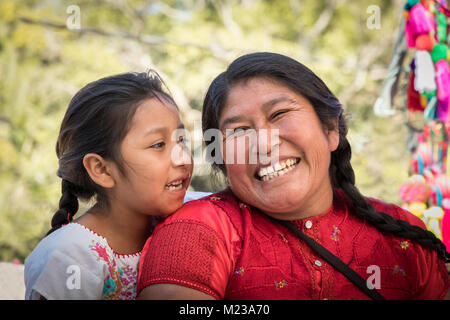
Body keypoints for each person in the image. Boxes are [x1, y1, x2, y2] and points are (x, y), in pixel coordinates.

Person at [136, 52, 450, 300]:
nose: (264, 143)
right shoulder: (196, 231)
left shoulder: (403, 235)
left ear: (329, 130)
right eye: (240, 131)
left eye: (280, 114)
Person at [24, 71, 200, 300]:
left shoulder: (196, 215)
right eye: (158, 144)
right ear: (102, 169)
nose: (183, 158)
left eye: (181, 139)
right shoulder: (70, 257)